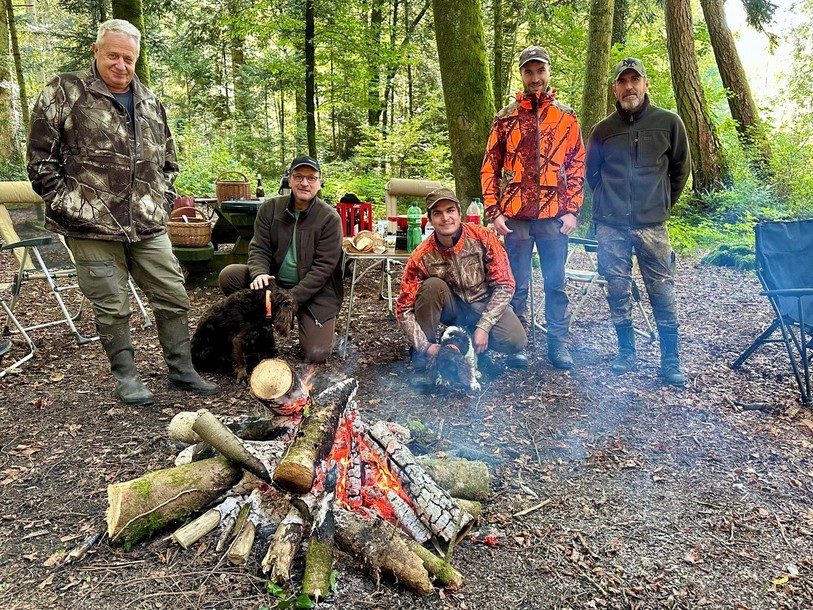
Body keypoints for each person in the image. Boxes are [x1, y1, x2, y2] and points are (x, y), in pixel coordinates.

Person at [26, 19, 217, 406]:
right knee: (111, 303)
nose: (120, 64)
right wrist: (71, 204)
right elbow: (40, 162)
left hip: (147, 224)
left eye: (128, 58)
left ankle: (181, 370)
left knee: (173, 293)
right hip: (90, 226)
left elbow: (169, 163)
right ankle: (126, 378)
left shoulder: (150, 102)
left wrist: (161, 201)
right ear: (96, 51)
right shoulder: (64, 91)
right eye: (112, 55)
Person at [585, 57, 691, 385]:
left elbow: (680, 169)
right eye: (623, 81)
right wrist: (610, 204)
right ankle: (626, 352)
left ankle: (670, 360)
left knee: (662, 289)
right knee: (617, 289)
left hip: (652, 226)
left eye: (635, 79)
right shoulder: (602, 131)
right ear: (615, 88)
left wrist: (660, 205)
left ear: (645, 84)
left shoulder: (669, 123)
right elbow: (592, 175)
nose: (629, 86)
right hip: (611, 225)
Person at [481, 45, 585, 370]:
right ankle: (518, 345)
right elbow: (490, 166)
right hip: (516, 218)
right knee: (516, 283)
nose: (535, 78)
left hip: (555, 217)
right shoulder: (505, 117)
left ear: (548, 72)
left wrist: (572, 209)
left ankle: (559, 345)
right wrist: (494, 211)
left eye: (540, 71)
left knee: (556, 283)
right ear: (522, 75)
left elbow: (578, 163)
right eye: (529, 71)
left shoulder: (566, 117)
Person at [219, 156, 343, 363]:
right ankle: (256, 327)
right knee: (230, 276)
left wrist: (290, 300)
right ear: (289, 179)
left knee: (316, 354)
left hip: (315, 293)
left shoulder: (329, 218)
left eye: (311, 178)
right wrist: (259, 274)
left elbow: (324, 268)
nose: (305, 183)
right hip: (275, 284)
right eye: (299, 177)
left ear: (320, 182)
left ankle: (313, 321)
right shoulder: (270, 209)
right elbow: (259, 248)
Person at [396, 187, 528, 378]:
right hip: (451, 309)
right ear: (430, 219)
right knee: (432, 286)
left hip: (483, 304)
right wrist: (423, 345)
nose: (445, 218)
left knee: (516, 340)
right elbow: (403, 307)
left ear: (459, 212)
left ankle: (473, 348)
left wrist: (484, 325)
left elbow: (505, 285)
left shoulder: (483, 237)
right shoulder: (422, 255)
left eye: (450, 210)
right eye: (437, 213)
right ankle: (428, 358)